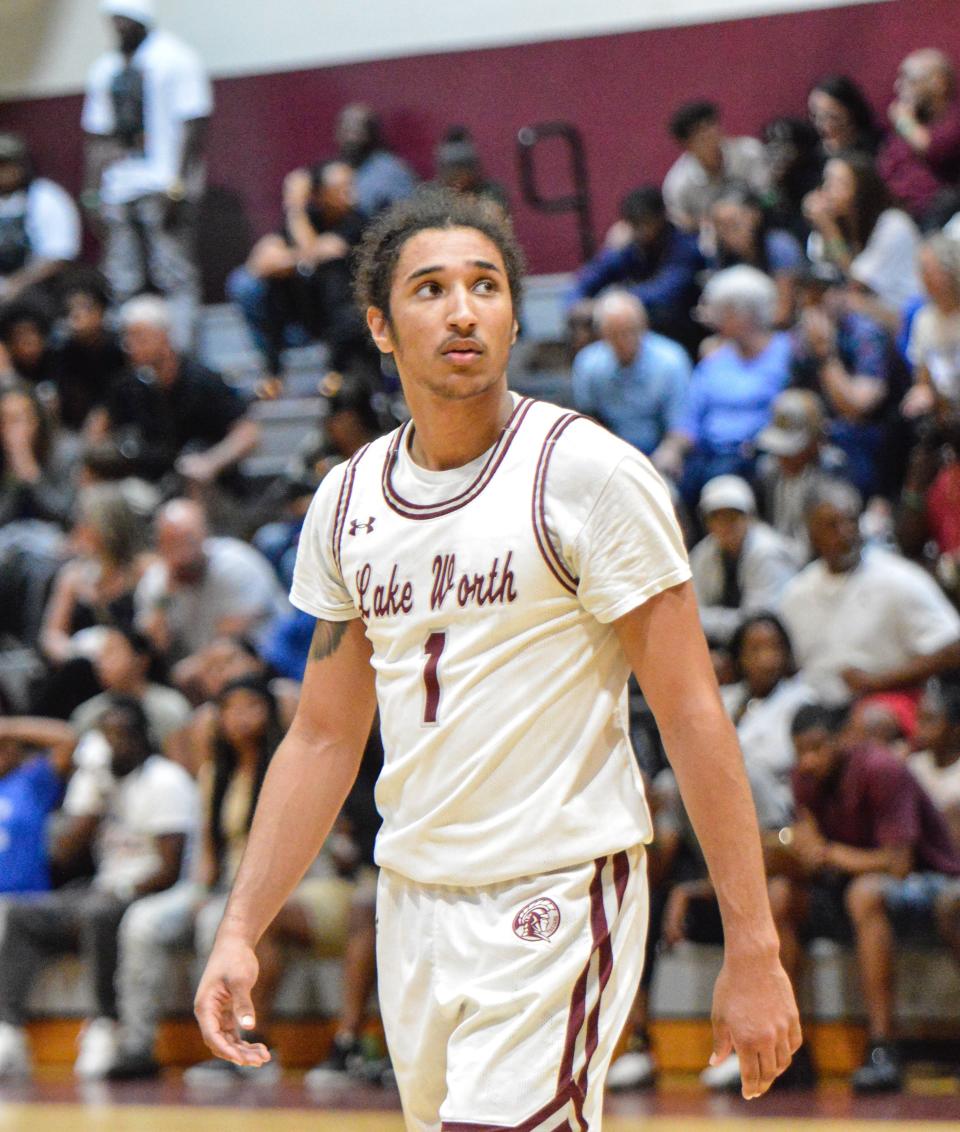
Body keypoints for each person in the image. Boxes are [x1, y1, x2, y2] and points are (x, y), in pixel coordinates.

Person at [192, 188, 799, 1127]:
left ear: (516, 314)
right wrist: (240, 928)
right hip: (416, 901)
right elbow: (319, 738)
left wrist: (752, 946)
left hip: (557, 889)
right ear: (381, 328)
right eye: (430, 289)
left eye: (485, 285)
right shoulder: (347, 502)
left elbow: (690, 714)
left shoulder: (586, 475)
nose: (463, 308)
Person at [0, 696, 197, 1080]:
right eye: (105, 736)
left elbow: (170, 869)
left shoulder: (165, 779)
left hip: (152, 891)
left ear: (142, 737)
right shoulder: (97, 779)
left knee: (99, 911)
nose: (113, 744)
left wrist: (121, 892)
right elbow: (62, 855)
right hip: (102, 888)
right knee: (22, 914)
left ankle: (105, 1024)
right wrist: (93, 801)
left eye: (121, 735)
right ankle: (6, 1029)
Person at [768, 703, 960, 1093]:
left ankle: (883, 1047)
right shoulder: (803, 778)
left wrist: (826, 853)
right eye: (801, 751)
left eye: (818, 748)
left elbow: (898, 864)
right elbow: (813, 852)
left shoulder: (881, 769)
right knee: (780, 895)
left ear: (842, 741)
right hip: (849, 883)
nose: (809, 760)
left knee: (865, 894)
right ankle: (789, 1049)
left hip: (932, 881)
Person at [81, 0, 213, 349]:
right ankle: (134, 354)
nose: (118, 28)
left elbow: (193, 125)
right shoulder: (105, 69)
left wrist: (178, 185)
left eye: (124, 20)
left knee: (174, 274)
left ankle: (183, 354)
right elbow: (98, 136)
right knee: (122, 277)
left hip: (163, 182)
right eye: (113, 21)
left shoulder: (175, 58)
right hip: (120, 186)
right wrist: (92, 192)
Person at [779, 479, 960, 707]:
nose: (845, 533)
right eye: (832, 525)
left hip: (889, 698)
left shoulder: (899, 577)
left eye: (851, 521)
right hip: (815, 704)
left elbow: (952, 649)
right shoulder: (797, 592)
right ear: (812, 534)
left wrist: (877, 682)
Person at [227, 159, 374, 392]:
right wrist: (301, 246)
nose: (351, 194)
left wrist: (296, 213)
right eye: (342, 188)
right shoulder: (309, 217)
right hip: (300, 314)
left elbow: (318, 255)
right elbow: (260, 263)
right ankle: (273, 372)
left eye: (352, 185)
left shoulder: (358, 220)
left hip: (343, 318)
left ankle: (338, 373)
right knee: (247, 283)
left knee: (332, 277)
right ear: (321, 195)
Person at [93, 294, 260, 490]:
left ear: (164, 336)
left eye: (139, 336)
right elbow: (98, 431)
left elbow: (249, 433)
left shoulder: (202, 379)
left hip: (209, 486)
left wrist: (211, 462)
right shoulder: (127, 386)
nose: (130, 345)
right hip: (150, 483)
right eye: (127, 337)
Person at [657, 265, 792, 506]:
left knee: (720, 480)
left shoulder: (786, 353)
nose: (716, 320)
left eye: (725, 312)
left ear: (747, 313)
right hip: (707, 454)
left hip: (755, 455)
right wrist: (673, 448)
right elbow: (690, 417)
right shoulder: (713, 361)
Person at [135, 498, 286, 663]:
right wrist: (165, 597)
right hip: (202, 668)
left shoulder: (235, 563)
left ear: (205, 534)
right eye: (171, 542)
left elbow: (228, 639)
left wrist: (190, 668)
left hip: (267, 656)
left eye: (188, 539)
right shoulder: (155, 582)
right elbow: (157, 645)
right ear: (159, 545)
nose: (182, 551)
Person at [570, 185, 704, 352]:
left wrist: (607, 305)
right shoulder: (629, 246)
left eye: (646, 223)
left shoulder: (685, 246)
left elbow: (665, 292)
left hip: (679, 324)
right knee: (583, 322)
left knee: (658, 316)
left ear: (661, 217)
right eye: (634, 224)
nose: (641, 231)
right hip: (634, 314)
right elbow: (589, 277)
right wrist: (576, 303)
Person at [570, 289, 691, 464]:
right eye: (614, 333)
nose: (623, 340)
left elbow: (681, 423)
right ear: (602, 334)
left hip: (659, 447)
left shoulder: (670, 360)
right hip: (611, 450)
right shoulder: (587, 363)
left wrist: (670, 451)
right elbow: (589, 418)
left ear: (644, 326)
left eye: (630, 331)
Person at [805, 151, 922, 319]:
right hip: (868, 309)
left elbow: (857, 283)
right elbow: (821, 266)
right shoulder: (840, 225)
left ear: (861, 189)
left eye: (838, 183)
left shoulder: (893, 223)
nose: (827, 191)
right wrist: (821, 229)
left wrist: (828, 228)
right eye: (826, 182)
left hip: (904, 315)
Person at [689, 475, 801, 647]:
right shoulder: (703, 553)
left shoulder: (768, 552)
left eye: (733, 516)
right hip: (727, 645)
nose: (725, 524)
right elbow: (690, 615)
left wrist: (711, 619)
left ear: (749, 517)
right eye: (717, 517)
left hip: (773, 645)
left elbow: (758, 622)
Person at [754, 388, 848, 556]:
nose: (783, 456)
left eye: (792, 451)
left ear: (816, 441)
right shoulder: (768, 470)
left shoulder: (834, 472)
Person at [704, 182, 806, 328]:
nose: (727, 233)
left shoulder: (780, 246)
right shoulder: (721, 257)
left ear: (754, 216)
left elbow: (783, 313)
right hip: (745, 333)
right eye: (720, 226)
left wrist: (735, 325)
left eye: (733, 224)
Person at [877, 49, 960, 224]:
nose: (898, 87)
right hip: (891, 213)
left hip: (933, 215)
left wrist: (904, 121)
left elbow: (931, 149)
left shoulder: (952, 120)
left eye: (909, 80)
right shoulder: (913, 123)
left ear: (938, 83)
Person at [662, 100, 770, 234]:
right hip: (713, 240)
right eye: (699, 132)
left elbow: (769, 196)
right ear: (686, 145)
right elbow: (683, 225)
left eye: (710, 125)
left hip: (763, 224)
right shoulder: (677, 185)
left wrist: (750, 213)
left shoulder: (750, 152)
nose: (708, 134)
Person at [0, 132, 81, 308]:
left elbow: (60, 256)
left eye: (6, 165)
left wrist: (16, 284)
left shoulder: (46, 196)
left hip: (39, 289)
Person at [51, 274, 127, 432]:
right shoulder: (62, 351)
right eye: (71, 309)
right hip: (74, 428)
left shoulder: (119, 348)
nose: (76, 315)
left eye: (85, 307)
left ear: (101, 311)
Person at [0, 383, 74, 530]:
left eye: (16, 420)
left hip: (53, 541)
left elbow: (64, 515)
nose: (8, 429)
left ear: (36, 422)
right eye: (2, 421)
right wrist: (13, 472)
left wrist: (30, 471)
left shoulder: (65, 452)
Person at [334, 103, 417, 220]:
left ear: (371, 133)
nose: (349, 138)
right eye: (344, 129)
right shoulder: (333, 169)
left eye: (356, 130)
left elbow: (407, 218)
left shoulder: (392, 172)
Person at [433, 126, 509, 213]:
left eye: (461, 170)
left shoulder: (491, 194)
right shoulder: (433, 197)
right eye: (451, 172)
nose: (457, 177)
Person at [807, 75, 881, 160]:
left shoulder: (878, 151)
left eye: (832, 117)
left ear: (852, 114)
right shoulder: (813, 155)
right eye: (814, 116)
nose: (820, 124)